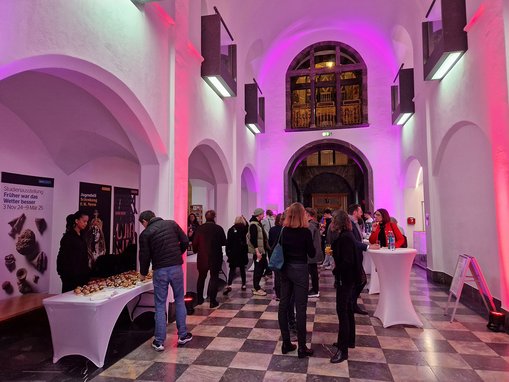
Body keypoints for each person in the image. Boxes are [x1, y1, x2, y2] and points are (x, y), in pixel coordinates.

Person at [138, 210, 192, 351]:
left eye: (142, 224)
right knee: (179, 300)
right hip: (176, 268)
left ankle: (159, 341)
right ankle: (183, 335)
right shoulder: (171, 224)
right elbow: (185, 240)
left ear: (145, 221)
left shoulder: (146, 233)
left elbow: (144, 256)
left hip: (160, 270)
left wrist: (143, 274)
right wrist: (176, 254)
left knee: (160, 304)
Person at [278, 202, 315, 358]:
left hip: (285, 270)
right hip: (300, 269)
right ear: (302, 215)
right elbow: (312, 254)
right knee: (301, 308)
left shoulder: (284, 231)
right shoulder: (305, 232)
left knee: (284, 305)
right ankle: (301, 347)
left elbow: (278, 248)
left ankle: (286, 343)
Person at [329, 210, 360, 363]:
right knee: (347, 309)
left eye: (333, 220)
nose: (331, 223)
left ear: (338, 222)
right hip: (348, 278)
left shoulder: (346, 238)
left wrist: (335, 269)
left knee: (342, 311)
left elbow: (348, 261)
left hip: (346, 279)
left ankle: (343, 350)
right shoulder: (346, 235)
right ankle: (349, 340)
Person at [348, 204, 379, 315]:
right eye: (360, 212)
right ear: (355, 212)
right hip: (352, 257)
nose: (362, 214)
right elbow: (353, 242)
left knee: (360, 281)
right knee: (360, 281)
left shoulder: (355, 223)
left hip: (356, 256)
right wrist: (368, 247)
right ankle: (351, 304)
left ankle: (352, 304)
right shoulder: (349, 223)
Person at [192, 210, 227, 308]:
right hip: (215, 256)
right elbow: (224, 242)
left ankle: (199, 299)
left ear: (205, 217)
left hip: (202, 257)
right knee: (214, 278)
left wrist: (196, 250)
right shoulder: (218, 228)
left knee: (201, 277)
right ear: (214, 217)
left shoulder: (200, 228)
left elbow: (195, 243)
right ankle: (212, 301)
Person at [57, 211, 91, 293]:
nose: (86, 224)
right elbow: (62, 258)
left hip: (82, 276)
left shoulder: (82, 236)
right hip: (71, 278)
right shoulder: (68, 238)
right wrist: (64, 275)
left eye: (87, 222)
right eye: (84, 221)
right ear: (76, 221)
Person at [247, 208, 270, 296]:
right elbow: (253, 239)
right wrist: (257, 252)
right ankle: (256, 288)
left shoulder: (257, 223)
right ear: (258, 215)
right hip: (259, 251)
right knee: (258, 269)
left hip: (262, 250)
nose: (263, 215)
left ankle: (257, 286)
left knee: (261, 268)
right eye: (262, 214)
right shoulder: (253, 225)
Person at [224, 216, 249, 294]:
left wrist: (228, 252)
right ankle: (244, 284)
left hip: (233, 252)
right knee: (242, 269)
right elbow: (247, 226)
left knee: (232, 269)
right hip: (242, 252)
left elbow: (228, 242)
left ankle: (229, 284)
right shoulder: (244, 229)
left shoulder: (231, 229)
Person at [305, 208, 323, 298]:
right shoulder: (314, 224)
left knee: (313, 272)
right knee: (313, 271)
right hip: (315, 251)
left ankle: (315, 290)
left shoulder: (310, 225)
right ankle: (315, 289)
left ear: (308, 215)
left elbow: (308, 239)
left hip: (311, 252)